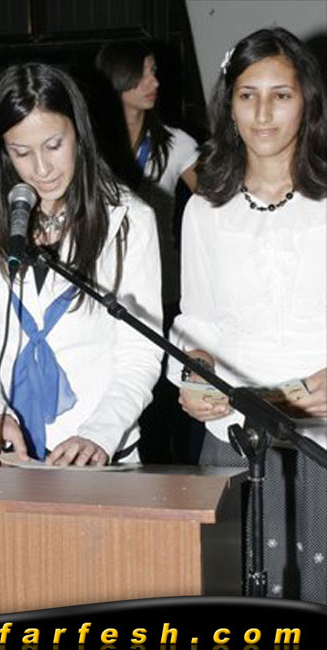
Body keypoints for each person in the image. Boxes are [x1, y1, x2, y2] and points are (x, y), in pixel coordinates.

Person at [168, 27, 327, 603]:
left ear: (307, 102)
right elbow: (195, 320)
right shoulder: (206, 209)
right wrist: (193, 369)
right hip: (235, 436)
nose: (263, 113)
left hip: (320, 437)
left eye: (281, 95)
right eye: (247, 95)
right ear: (229, 104)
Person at [0, 62, 163, 468]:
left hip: (96, 454)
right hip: (2, 452)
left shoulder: (130, 220)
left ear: (78, 133)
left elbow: (140, 352)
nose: (41, 169)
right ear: (3, 151)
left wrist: (99, 434)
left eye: (53, 145)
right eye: (21, 152)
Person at [95, 40, 199, 315]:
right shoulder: (87, 146)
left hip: (163, 288)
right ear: (116, 77)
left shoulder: (177, 143)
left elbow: (216, 204)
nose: (154, 82)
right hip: (102, 285)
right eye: (142, 73)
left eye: (153, 71)